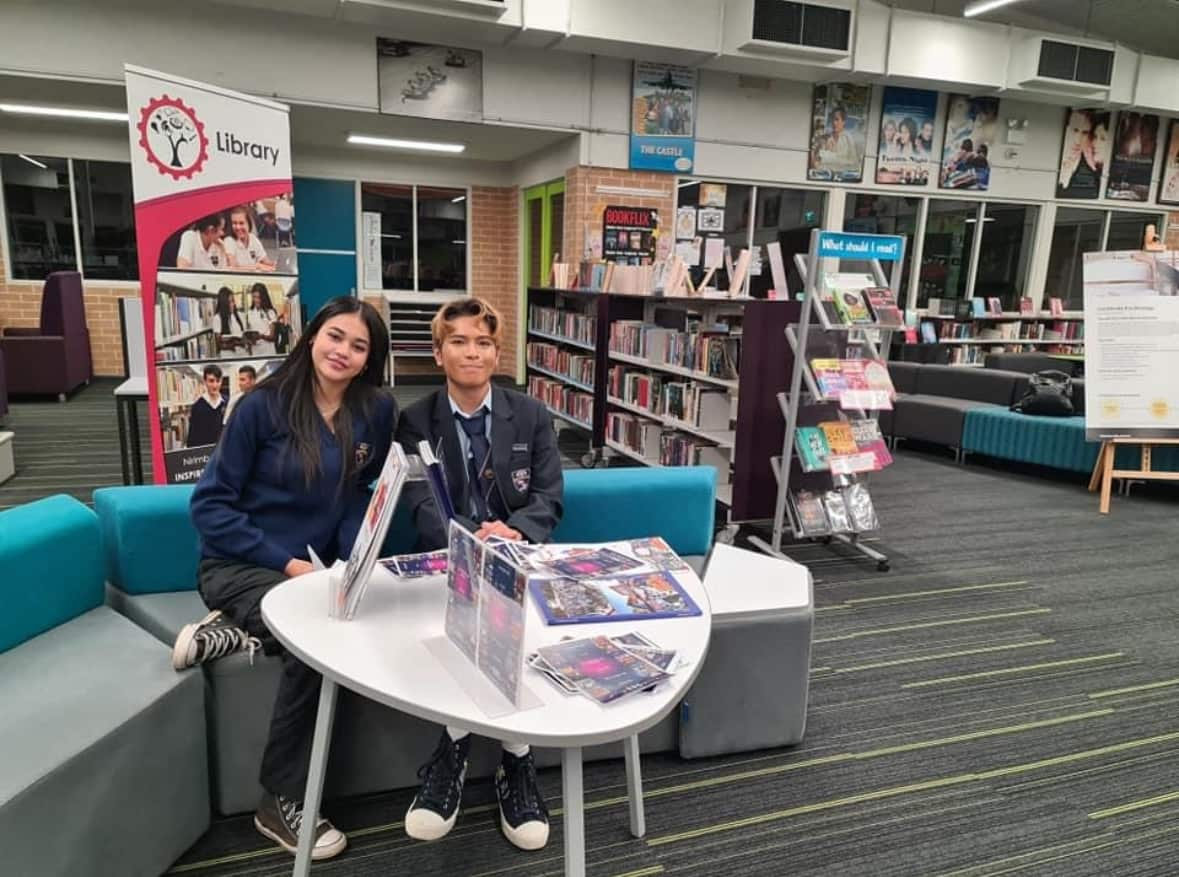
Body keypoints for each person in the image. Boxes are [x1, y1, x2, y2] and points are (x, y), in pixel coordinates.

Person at [174, 296, 396, 861]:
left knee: (354, 620)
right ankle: (281, 798)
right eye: (335, 336)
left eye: (359, 345)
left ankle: (238, 630)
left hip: (313, 574)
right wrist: (289, 564)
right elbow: (210, 507)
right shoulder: (262, 406)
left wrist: (351, 559)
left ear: (371, 359)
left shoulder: (375, 410)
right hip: (240, 563)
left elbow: (357, 493)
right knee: (316, 648)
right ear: (312, 336)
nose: (343, 351)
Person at [395, 296, 563, 852]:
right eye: (460, 342)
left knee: (518, 617)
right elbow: (419, 501)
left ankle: (490, 757)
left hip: (518, 555)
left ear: (497, 352)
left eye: (484, 342)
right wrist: (470, 538)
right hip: (452, 560)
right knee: (462, 620)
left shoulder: (533, 414)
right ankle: (498, 756)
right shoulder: (415, 420)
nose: (473, 352)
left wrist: (514, 534)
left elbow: (548, 497)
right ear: (439, 352)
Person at [186, 364, 226, 448]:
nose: (215, 385)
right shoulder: (197, 407)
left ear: (221, 381)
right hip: (205, 456)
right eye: (211, 381)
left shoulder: (228, 403)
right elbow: (192, 439)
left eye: (218, 381)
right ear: (205, 381)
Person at [226, 205, 276, 272]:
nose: (238, 227)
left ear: (249, 224)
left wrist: (274, 264)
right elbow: (233, 267)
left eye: (241, 223)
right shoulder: (229, 241)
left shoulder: (253, 238)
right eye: (234, 223)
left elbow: (266, 261)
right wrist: (257, 267)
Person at [816, 105, 859, 175]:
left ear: (843, 121)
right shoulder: (825, 138)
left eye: (837, 119)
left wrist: (828, 156)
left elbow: (854, 163)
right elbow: (818, 162)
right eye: (832, 119)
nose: (834, 123)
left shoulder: (848, 138)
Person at [245, 283, 279, 356]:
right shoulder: (249, 313)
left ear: (263, 297)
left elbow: (272, 337)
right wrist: (249, 340)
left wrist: (261, 336)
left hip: (268, 351)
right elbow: (249, 333)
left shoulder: (270, 312)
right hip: (255, 352)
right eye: (254, 297)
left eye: (259, 297)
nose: (256, 300)